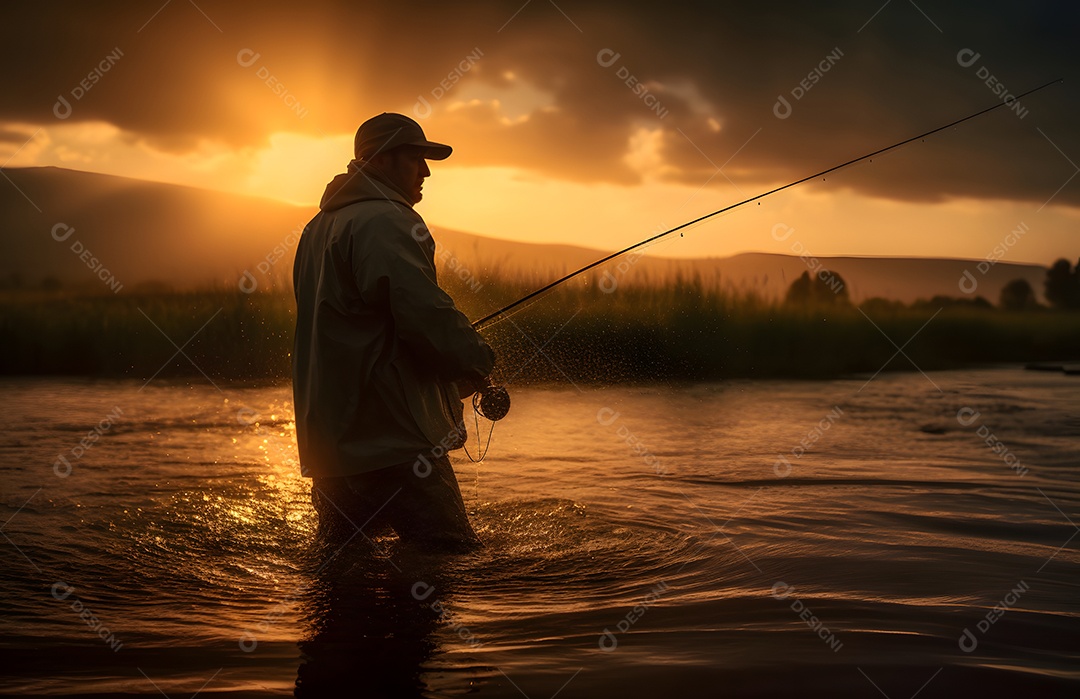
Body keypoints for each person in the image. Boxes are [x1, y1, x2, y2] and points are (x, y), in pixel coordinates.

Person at [292, 112, 495, 552]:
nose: (425, 171)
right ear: (381, 161)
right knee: (450, 555)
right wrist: (477, 358)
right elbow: (424, 312)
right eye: (415, 158)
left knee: (339, 571)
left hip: (333, 446)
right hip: (395, 440)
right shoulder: (387, 221)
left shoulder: (317, 229)